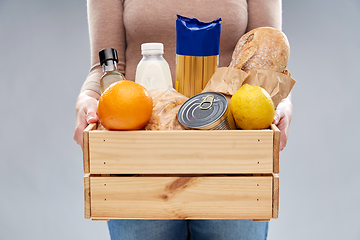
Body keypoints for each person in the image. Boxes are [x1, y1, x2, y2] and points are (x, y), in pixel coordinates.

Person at [74, 0, 292, 239]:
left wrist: (282, 104)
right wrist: (87, 98)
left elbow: (270, 61)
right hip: (140, 158)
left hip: (230, 156)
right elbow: (105, 66)